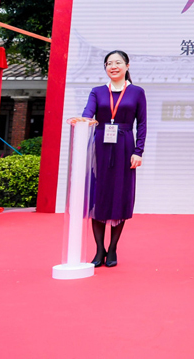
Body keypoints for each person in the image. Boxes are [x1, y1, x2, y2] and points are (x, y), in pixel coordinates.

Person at [73, 50, 147, 268]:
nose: (113, 66)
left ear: (127, 65)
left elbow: (141, 124)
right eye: (109, 63)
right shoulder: (97, 91)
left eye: (117, 62)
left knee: (120, 195)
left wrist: (139, 151)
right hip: (100, 146)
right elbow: (89, 112)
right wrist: (83, 119)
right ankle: (99, 250)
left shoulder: (136, 92)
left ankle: (113, 248)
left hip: (125, 146)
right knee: (99, 195)